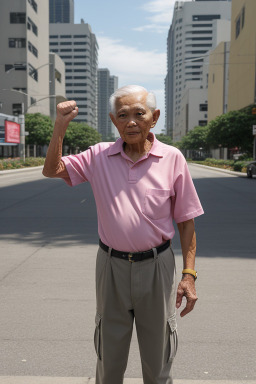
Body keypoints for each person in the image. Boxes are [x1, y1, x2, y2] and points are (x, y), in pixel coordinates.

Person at [43, 85, 204, 384]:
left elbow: (186, 221)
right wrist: (60, 127)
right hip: (111, 266)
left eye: (138, 114)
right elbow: (52, 170)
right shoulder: (98, 156)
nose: (131, 121)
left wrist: (189, 274)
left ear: (153, 118)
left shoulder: (172, 158)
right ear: (113, 121)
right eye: (122, 115)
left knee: (158, 358)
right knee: (109, 357)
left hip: (157, 266)